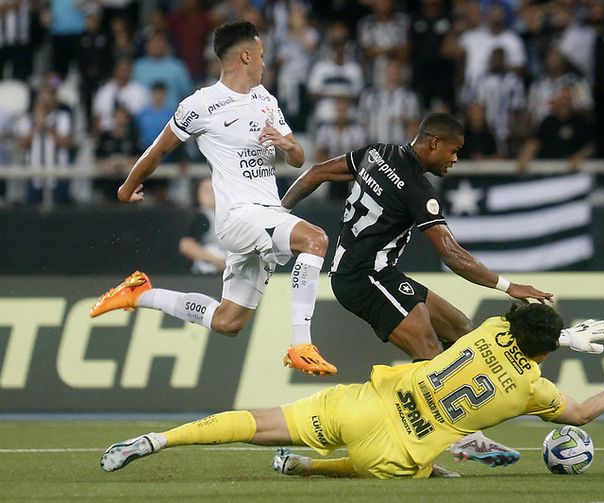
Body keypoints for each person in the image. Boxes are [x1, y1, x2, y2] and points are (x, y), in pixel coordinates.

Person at [100, 303, 604, 479]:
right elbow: (577, 413)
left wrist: (561, 333)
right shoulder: (533, 389)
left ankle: (155, 441)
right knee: (405, 467)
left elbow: (518, 324)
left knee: (254, 424)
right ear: (546, 352)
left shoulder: (488, 329)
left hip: (365, 403)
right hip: (395, 449)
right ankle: (309, 469)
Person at [88, 21, 337, 377]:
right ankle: (301, 344)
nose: (265, 63)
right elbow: (158, 150)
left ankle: (140, 293)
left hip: (266, 216)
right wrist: (126, 187)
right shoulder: (202, 104)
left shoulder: (266, 100)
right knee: (315, 239)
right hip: (239, 217)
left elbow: (297, 158)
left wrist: (288, 146)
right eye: (262, 56)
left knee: (228, 321)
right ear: (246, 56)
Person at [281, 112, 551, 361]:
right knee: (432, 358)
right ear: (434, 143)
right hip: (363, 277)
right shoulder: (418, 189)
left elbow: (316, 173)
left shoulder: (377, 153)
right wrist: (507, 286)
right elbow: (451, 254)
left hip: (376, 272)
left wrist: (280, 213)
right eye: (454, 151)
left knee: (464, 332)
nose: (455, 159)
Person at [179, 177, 226, 274]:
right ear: (197, 194)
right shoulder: (201, 216)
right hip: (207, 271)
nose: (210, 194)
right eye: (206, 190)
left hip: (226, 267)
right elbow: (186, 245)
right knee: (213, 250)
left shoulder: (225, 215)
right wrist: (216, 260)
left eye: (213, 189)